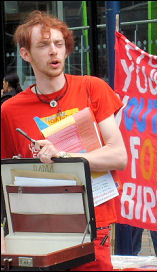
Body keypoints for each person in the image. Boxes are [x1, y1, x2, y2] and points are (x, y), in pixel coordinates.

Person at [1, 11, 128, 271]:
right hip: (37, 226)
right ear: (25, 54)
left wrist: (64, 157)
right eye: (43, 45)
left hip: (92, 223)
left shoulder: (93, 88)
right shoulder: (9, 111)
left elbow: (118, 156)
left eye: (59, 44)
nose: (53, 52)